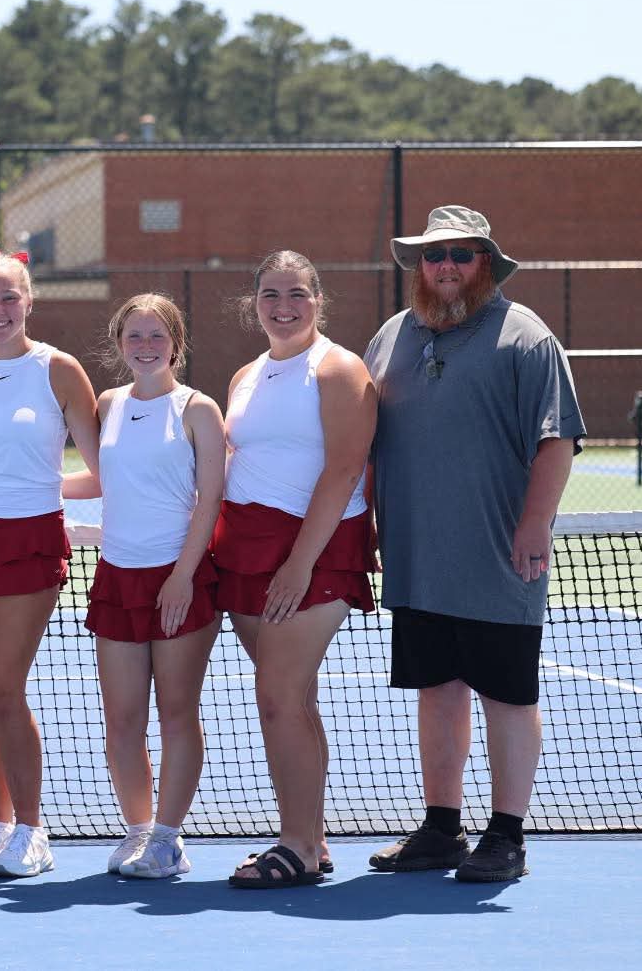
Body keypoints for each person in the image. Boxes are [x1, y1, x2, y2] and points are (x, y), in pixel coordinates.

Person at [366, 206, 583, 883]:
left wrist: (532, 524)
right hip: (416, 558)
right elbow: (368, 443)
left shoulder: (526, 338)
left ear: (485, 261)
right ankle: (440, 828)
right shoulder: (390, 337)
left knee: (506, 696)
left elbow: (556, 439)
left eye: (461, 253)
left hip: (498, 556)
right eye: (435, 255)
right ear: (418, 266)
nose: (447, 266)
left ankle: (506, 836)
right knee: (436, 689)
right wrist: (372, 522)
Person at [0, 248, 100, 878]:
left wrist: (49, 492)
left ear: (28, 300)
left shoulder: (59, 370)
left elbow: (98, 466)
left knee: (4, 687)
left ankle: (32, 829)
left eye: (9, 298)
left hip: (30, 539)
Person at [217, 251, 376, 889]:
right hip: (245, 550)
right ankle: (313, 837)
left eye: (297, 294)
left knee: (279, 698)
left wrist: (299, 565)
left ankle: (295, 848)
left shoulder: (339, 369)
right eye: (271, 294)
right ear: (253, 300)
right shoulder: (246, 375)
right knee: (294, 700)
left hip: (314, 550)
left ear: (318, 299)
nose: (283, 306)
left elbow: (345, 469)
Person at [61, 294, 225, 878]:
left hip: (179, 577)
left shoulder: (198, 410)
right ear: (120, 343)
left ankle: (167, 838)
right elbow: (108, 479)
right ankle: (138, 831)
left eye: (157, 335)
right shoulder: (108, 404)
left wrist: (183, 575)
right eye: (135, 336)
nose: (146, 345)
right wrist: (30, 485)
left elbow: (211, 499)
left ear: (176, 344)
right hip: (117, 578)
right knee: (122, 720)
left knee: (177, 713)